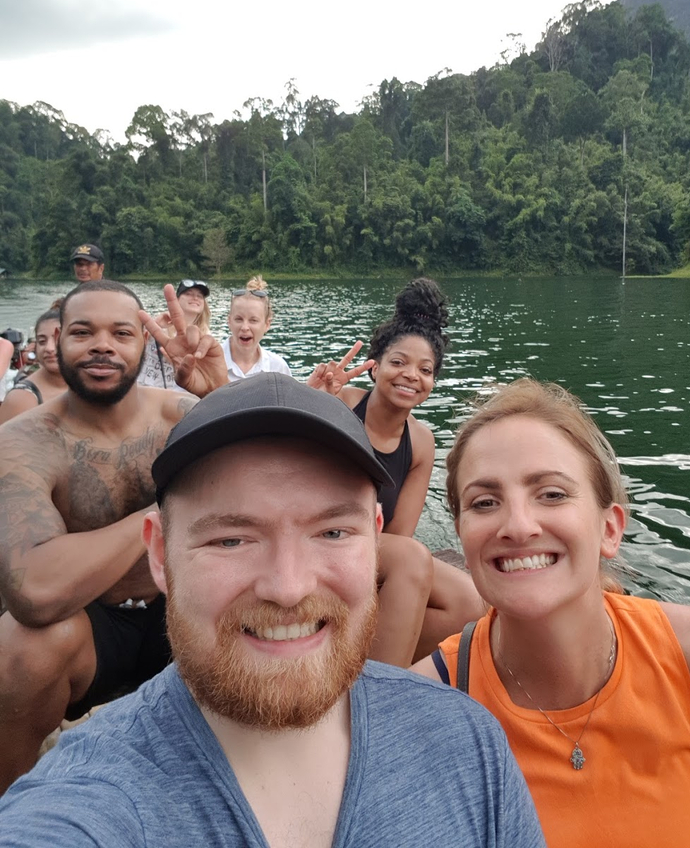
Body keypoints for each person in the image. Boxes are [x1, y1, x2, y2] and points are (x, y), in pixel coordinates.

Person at [0, 374, 545, 848]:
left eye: (333, 532)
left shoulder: (469, 745)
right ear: (161, 553)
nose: (287, 587)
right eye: (232, 540)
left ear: (373, 541)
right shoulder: (87, 806)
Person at [412, 378, 690, 847]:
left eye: (552, 494)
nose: (517, 525)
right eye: (485, 502)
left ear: (610, 528)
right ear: (462, 536)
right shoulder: (423, 707)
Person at [0, 280, 227, 794]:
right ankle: (12, 814)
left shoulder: (181, 415)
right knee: (22, 646)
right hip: (95, 629)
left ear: (143, 346)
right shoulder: (22, 441)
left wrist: (220, 396)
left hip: (182, 608)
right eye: (83, 332)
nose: (102, 344)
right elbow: (34, 590)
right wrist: (169, 505)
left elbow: (266, 483)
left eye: (121, 333)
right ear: (56, 344)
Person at [310, 278, 484, 666]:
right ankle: (379, 697)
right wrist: (313, 404)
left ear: (433, 382)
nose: (411, 375)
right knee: (412, 559)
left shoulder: (420, 442)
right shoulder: (339, 403)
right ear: (375, 367)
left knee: (469, 604)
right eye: (399, 362)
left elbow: (398, 534)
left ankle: (362, 660)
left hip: (368, 548)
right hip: (316, 538)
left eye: (425, 369)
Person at [138, 279, 213, 391]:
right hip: (145, 389)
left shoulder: (206, 337)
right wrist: (153, 326)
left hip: (177, 394)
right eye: (188, 294)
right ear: (177, 300)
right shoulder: (160, 324)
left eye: (200, 296)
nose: (195, 298)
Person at [0, 308, 67, 423]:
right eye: (42, 341)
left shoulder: (93, 385)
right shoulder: (21, 399)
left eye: (58, 339)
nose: (49, 348)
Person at [223, 275, 291, 381]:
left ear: (267, 324)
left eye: (253, 320)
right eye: (239, 319)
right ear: (229, 321)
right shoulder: (209, 362)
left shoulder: (278, 368)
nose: (245, 327)